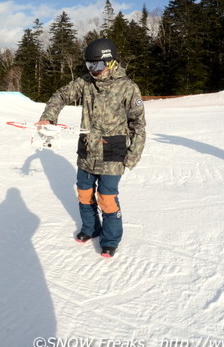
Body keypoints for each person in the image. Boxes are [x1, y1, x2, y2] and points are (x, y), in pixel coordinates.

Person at [36, 38, 146, 258]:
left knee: (106, 197)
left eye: (97, 65)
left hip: (113, 152)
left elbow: (138, 124)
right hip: (87, 149)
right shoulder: (85, 82)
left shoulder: (128, 87)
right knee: (84, 193)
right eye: (89, 66)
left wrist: (132, 156)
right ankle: (90, 228)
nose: (93, 71)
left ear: (112, 62)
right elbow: (61, 95)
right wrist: (49, 117)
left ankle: (111, 239)